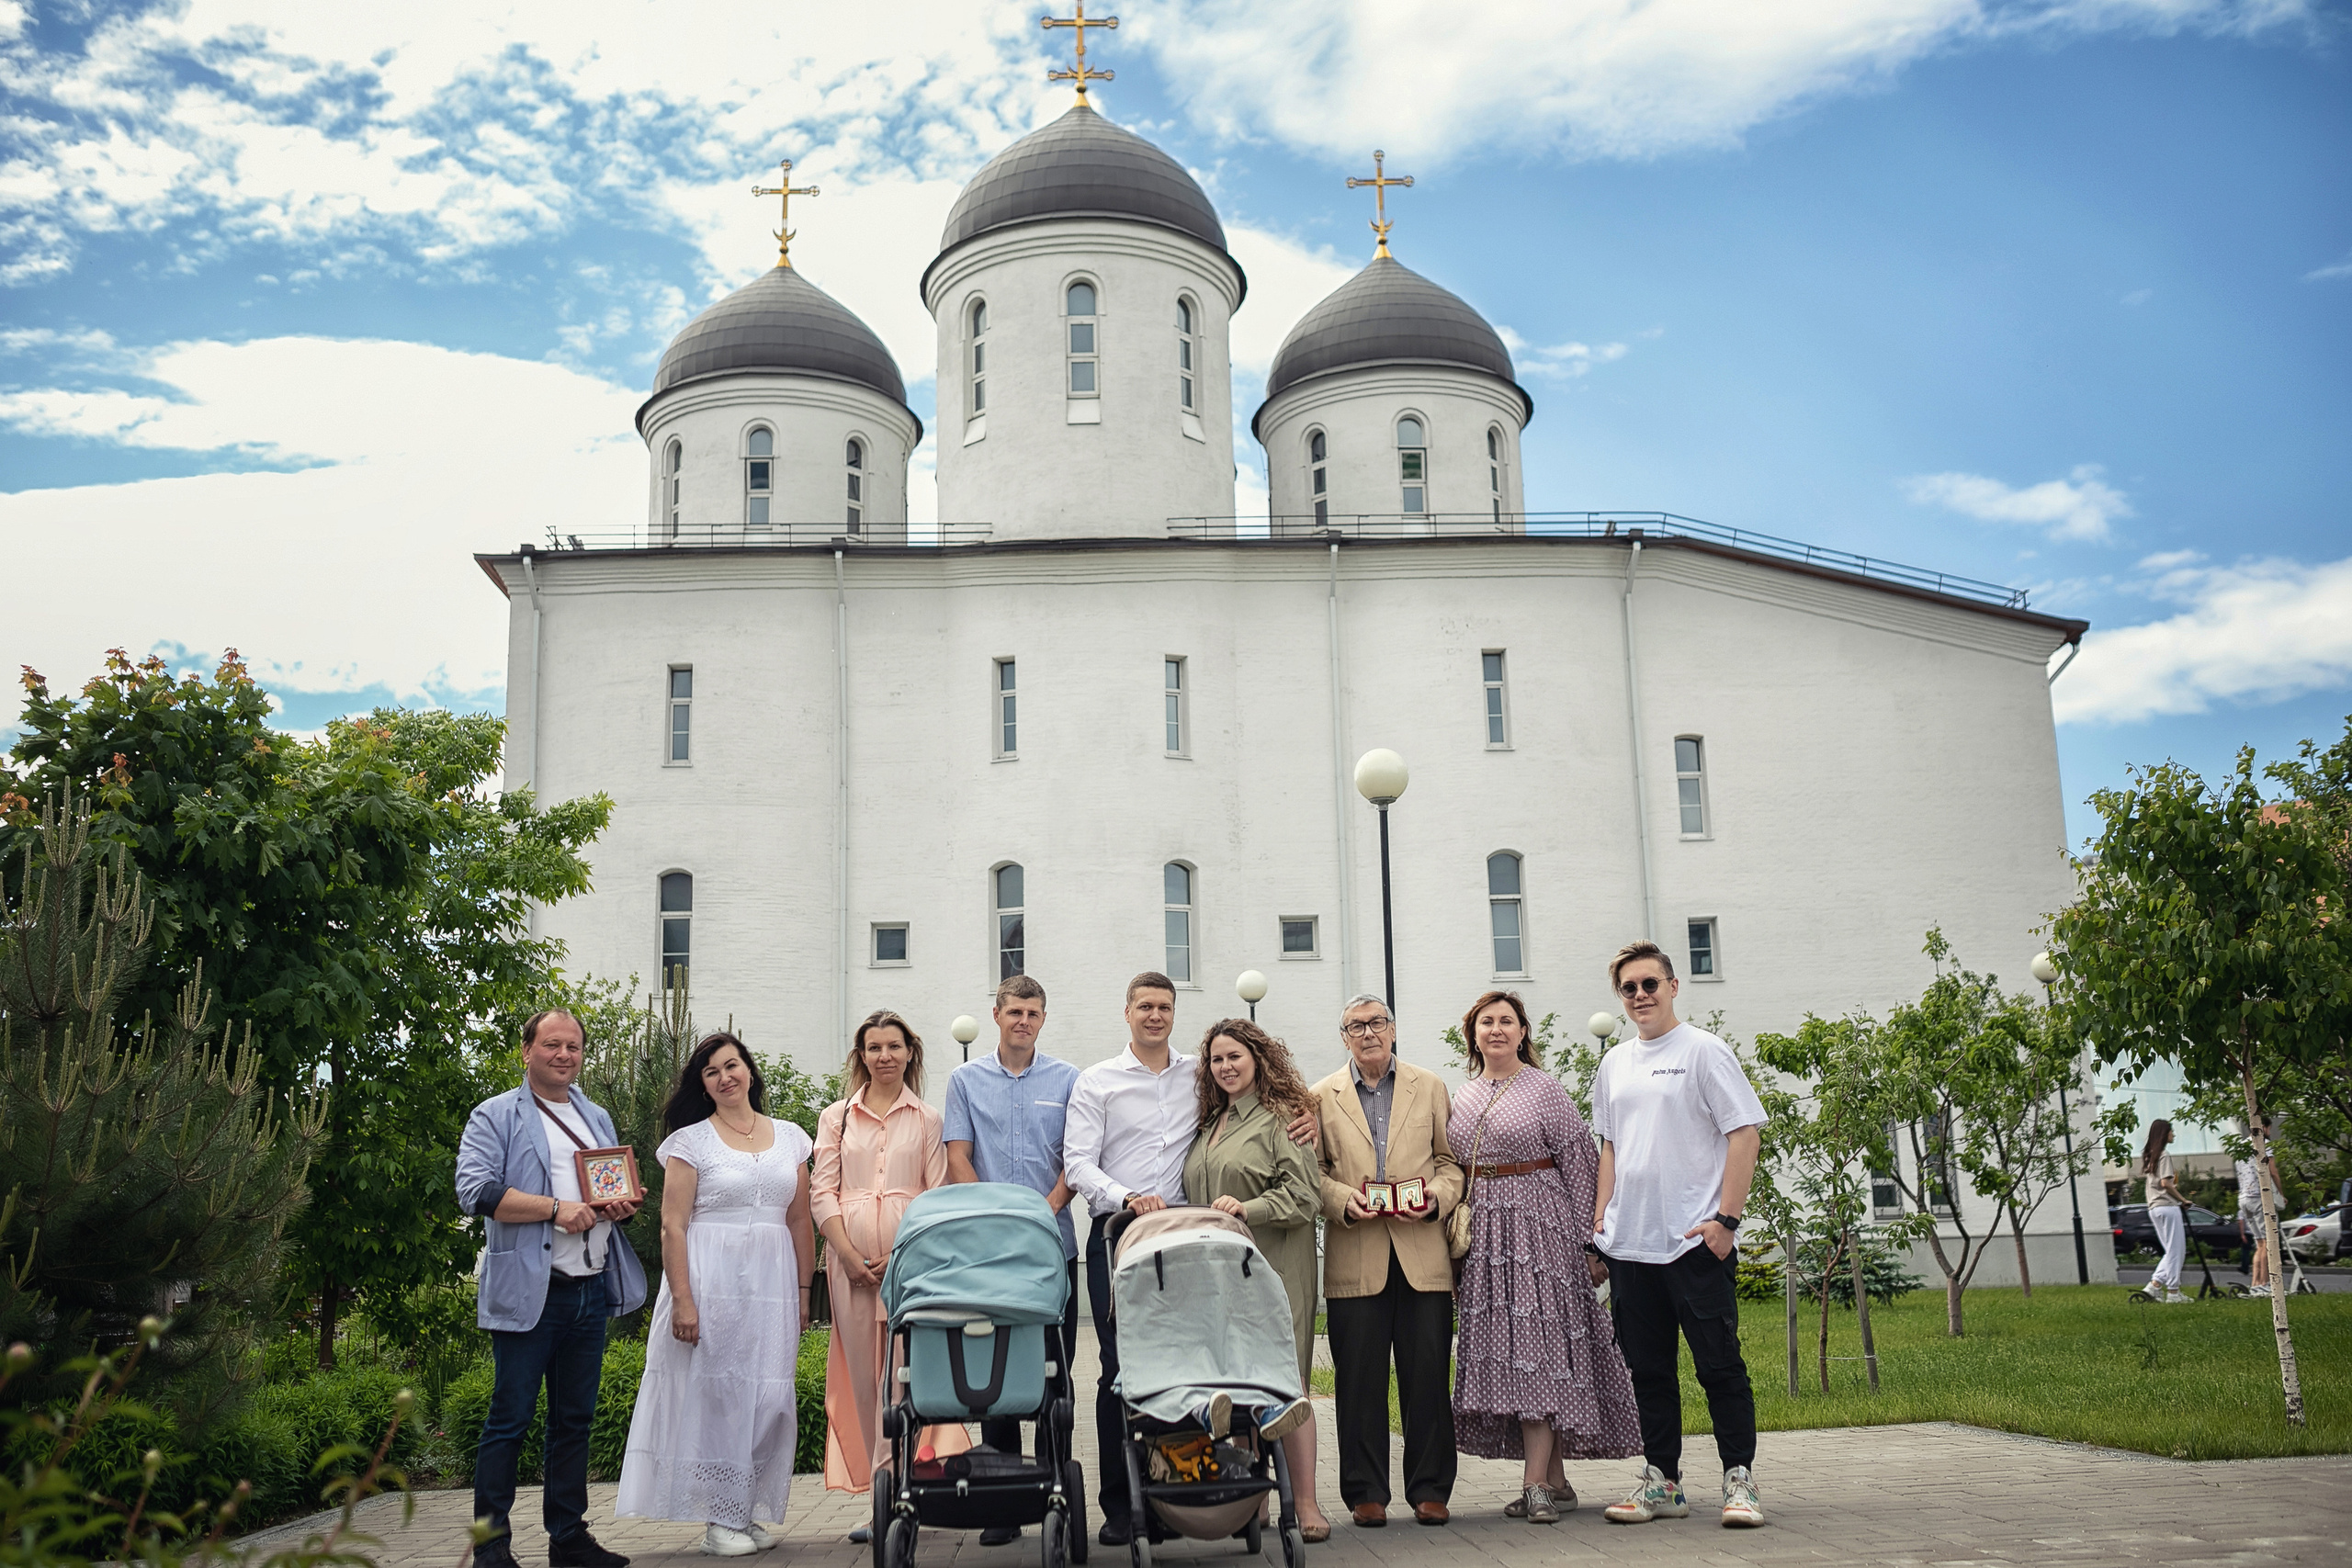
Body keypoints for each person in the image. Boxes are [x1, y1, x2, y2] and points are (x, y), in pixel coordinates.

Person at [455, 1010, 646, 1568]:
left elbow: (609, 1186)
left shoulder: (596, 1116)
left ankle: (568, 1539)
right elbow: (476, 1191)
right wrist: (557, 1210)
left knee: (574, 1423)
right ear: (527, 1051)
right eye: (552, 1045)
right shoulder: (495, 1115)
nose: (564, 1055)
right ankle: (490, 1549)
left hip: (589, 1289)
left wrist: (622, 1206)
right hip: (531, 1292)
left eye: (574, 1047)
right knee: (508, 1421)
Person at [1589, 942, 1768, 1530]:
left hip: (1693, 1243)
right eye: (1629, 988)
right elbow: (1611, 1145)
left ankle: (1739, 1481)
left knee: (1719, 1366)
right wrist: (1601, 1222)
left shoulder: (1704, 1052)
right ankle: (1662, 1482)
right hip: (1631, 1247)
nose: (1640, 996)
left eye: (1649, 984)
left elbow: (1744, 1133)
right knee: (1650, 1372)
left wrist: (1727, 1221)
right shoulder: (1615, 1063)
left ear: (1672, 986)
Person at [616, 1032, 816, 1555]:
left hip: (773, 1284)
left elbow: (799, 1218)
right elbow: (672, 1226)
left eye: (733, 1065)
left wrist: (803, 1289)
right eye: (712, 1072)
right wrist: (683, 1299)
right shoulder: (690, 1141)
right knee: (719, 1394)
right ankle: (717, 1520)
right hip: (710, 1280)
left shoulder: (793, 1137)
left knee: (769, 1395)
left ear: (749, 1070)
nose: (726, 1077)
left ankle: (743, 1511)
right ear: (703, 1086)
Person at [1449, 990, 1640, 1524]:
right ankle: (1556, 1482)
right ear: (1474, 1034)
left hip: (1541, 1234)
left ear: (1522, 1032)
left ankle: (1534, 1484)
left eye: (1506, 1021)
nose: (1496, 1030)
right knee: (1513, 1352)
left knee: (1539, 1348)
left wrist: (1592, 1239)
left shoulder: (1545, 1089)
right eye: (1486, 1022)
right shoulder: (1461, 1097)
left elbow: (1580, 1161)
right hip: (1486, 1239)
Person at [1312, 993, 1464, 1529]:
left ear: (1394, 1030)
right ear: (1344, 1037)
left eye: (1378, 1022)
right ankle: (1365, 1492)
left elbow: (1451, 1163)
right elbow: (1314, 1174)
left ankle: (1430, 1490)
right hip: (1356, 1255)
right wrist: (1339, 1200)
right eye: (1356, 1025)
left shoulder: (1431, 1086)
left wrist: (1436, 1198)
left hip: (1422, 1253)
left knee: (1426, 1376)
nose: (1369, 1032)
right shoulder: (1320, 1096)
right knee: (1358, 1381)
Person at [942, 975, 1083, 1548]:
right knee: (994, 1378)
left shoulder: (1069, 1080)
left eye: (1033, 1012)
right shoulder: (965, 1080)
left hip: (1053, 1249)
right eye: (1014, 1011)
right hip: (990, 1252)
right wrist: (1000, 1219)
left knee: (1054, 1375)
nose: (1023, 1020)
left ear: (1043, 1019)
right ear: (996, 1015)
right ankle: (1002, 1505)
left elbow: (1077, 1160)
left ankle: (1054, 1498)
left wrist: (1042, 1214)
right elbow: (958, 1156)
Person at [812, 1010, 968, 1517]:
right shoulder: (836, 1117)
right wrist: (849, 1255)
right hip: (849, 1269)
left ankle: (912, 1487)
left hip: (911, 1265)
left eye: (894, 1047)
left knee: (906, 1375)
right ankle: (882, 1494)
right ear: (862, 1055)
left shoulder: (926, 1118)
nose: (884, 1056)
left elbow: (936, 1193)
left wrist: (900, 1254)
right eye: (874, 1048)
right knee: (864, 1376)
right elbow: (822, 1193)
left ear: (909, 1053)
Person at [1063, 972, 1197, 1547]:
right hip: (1118, 1234)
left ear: (1174, 1013)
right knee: (1119, 1371)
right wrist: (1126, 1197)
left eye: (1164, 1007)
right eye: (1145, 1006)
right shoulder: (1098, 1081)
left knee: (1184, 1366)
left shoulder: (1198, 1073)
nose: (1154, 1016)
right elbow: (1078, 1164)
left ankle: (1174, 1499)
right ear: (1127, 1013)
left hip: (1187, 1236)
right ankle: (1120, 1506)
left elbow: (1257, 1098)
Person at [1182, 1019, 1329, 1540]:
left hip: (1276, 1270)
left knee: (1286, 1385)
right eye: (1217, 1060)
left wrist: (1249, 1207)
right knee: (1237, 1386)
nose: (1225, 1067)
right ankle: (1254, 1500)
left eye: (1235, 1057)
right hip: (1221, 1276)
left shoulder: (1282, 1119)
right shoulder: (1209, 1123)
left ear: (1258, 1060)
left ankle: (1308, 1504)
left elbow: (1306, 1196)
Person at [2143, 1119, 2189, 1304]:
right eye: (2171, 1131)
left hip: (2154, 1208)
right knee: (2177, 1250)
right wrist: (2183, 1200)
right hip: (2167, 1207)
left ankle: (2154, 1285)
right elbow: (2166, 1183)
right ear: (2164, 1134)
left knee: (2171, 1250)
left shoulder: (2150, 1156)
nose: (2174, 1134)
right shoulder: (2164, 1155)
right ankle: (2173, 1292)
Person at [2233, 1121, 2281, 1297]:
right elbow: (2273, 1171)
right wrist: (2281, 1195)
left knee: (2260, 1243)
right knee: (2268, 1242)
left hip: (2244, 1198)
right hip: (2259, 1197)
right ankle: (2264, 1283)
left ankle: (2255, 1284)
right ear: (2265, 1128)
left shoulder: (2240, 1147)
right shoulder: (2263, 1144)